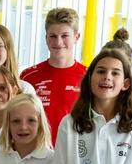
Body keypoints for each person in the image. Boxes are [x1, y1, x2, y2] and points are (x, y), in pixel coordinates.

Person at [19, 8, 86, 146]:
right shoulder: (28, 77)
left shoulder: (89, 76)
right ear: (46, 38)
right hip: (37, 154)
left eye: (64, 36)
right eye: (53, 36)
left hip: (74, 155)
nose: (58, 42)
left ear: (76, 37)